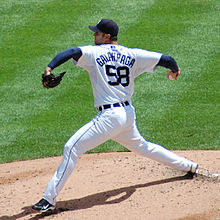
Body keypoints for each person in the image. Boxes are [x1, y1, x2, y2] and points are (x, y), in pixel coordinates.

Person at [32, 19, 198, 212]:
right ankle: (188, 165)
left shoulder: (95, 53)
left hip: (110, 117)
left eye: (97, 33)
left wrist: (49, 68)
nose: (94, 36)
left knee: (71, 148)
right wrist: (174, 70)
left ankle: (48, 199)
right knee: (143, 147)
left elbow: (70, 52)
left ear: (106, 36)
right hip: (127, 114)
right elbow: (167, 59)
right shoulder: (133, 54)